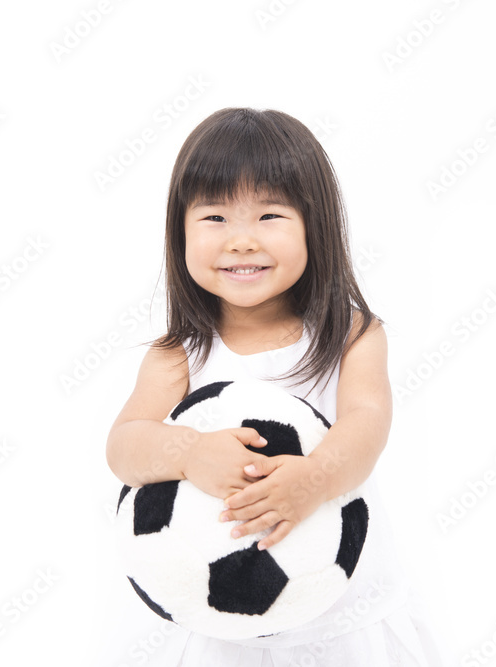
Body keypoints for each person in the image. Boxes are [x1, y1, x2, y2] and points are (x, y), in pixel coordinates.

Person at [106, 107, 449, 666]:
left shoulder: (351, 335)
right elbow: (124, 447)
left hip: (345, 620)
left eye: (269, 215)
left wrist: (315, 479)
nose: (241, 241)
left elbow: (367, 423)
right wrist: (189, 452)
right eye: (215, 217)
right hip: (224, 630)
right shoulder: (180, 354)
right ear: (179, 231)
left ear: (314, 225)